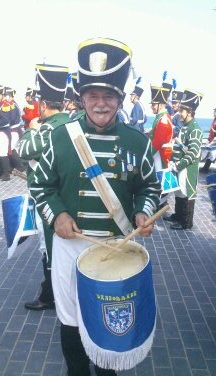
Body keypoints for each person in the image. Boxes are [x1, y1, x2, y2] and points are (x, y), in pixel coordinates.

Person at [30, 37, 161, 376]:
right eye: (93, 96)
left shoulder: (138, 141)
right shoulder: (60, 138)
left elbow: (150, 185)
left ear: (119, 99)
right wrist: (57, 213)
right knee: (71, 321)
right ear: (82, 98)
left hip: (117, 250)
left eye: (108, 96)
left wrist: (144, 212)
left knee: (108, 326)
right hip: (71, 246)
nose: (100, 104)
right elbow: (39, 184)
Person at [17, 63, 70, 310]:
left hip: (48, 197)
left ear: (43, 104)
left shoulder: (47, 127)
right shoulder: (70, 122)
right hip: (64, 194)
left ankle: (49, 296)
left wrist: (30, 130)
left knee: (48, 247)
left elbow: (23, 149)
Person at [164, 89, 203, 230]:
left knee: (187, 193)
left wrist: (179, 165)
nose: (179, 113)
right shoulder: (185, 126)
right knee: (179, 192)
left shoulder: (195, 129)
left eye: (182, 110)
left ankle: (186, 222)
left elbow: (193, 153)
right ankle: (178, 215)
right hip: (179, 166)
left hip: (187, 168)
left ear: (190, 112)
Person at [3, 87, 25, 173]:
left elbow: (11, 119)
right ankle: (11, 166)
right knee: (10, 149)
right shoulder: (11, 105)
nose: (5, 97)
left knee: (11, 149)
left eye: (7, 95)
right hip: (12, 131)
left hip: (15, 130)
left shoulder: (13, 105)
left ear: (11, 96)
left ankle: (20, 166)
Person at [200, 107, 216, 172]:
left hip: (214, 140)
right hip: (211, 139)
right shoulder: (214, 120)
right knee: (210, 154)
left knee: (212, 154)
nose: (214, 113)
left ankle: (206, 168)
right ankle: (205, 168)